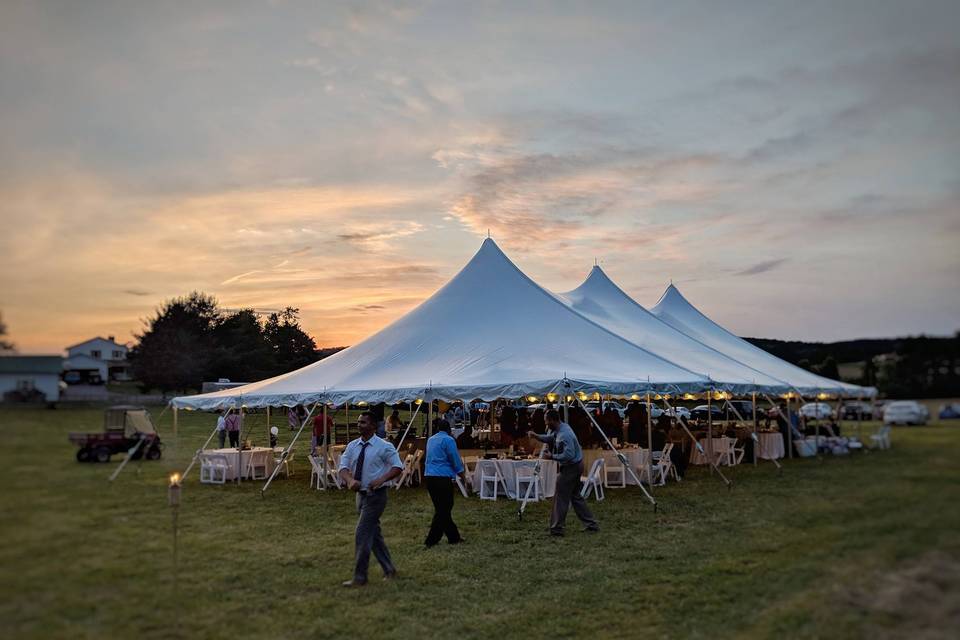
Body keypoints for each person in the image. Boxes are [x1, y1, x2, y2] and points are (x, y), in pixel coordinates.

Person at [338, 411, 404, 587]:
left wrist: (382, 479)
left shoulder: (384, 446)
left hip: (376, 496)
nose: (359, 425)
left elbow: (398, 466)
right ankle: (389, 569)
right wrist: (350, 480)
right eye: (358, 422)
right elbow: (342, 468)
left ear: (374, 426)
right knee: (373, 534)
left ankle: (360, 577)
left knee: (362, 533)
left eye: (364, 422)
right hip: (360, 496)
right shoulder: (353, 446)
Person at [528, 409, 599, 536]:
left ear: (552, 420)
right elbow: (551, 438)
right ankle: (591, 525)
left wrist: (552, 456)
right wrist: (536, 436)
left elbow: (569, 455)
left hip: (571, 467)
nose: (545, 424)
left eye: (546, 421)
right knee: (576, 497)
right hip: (576, 466)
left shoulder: (564, 435)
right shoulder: (561, 428)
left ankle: (556, 528)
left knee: (560, 497)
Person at [423, 418, 465, 547]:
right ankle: (431, 540)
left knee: (441, 508)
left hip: (430, 476)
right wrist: (461, 473)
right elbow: (454, 457)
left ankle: (454, 537)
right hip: (442, 476)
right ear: (449, 429)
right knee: (445, 507)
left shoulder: (430, 440)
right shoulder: (449, 440)